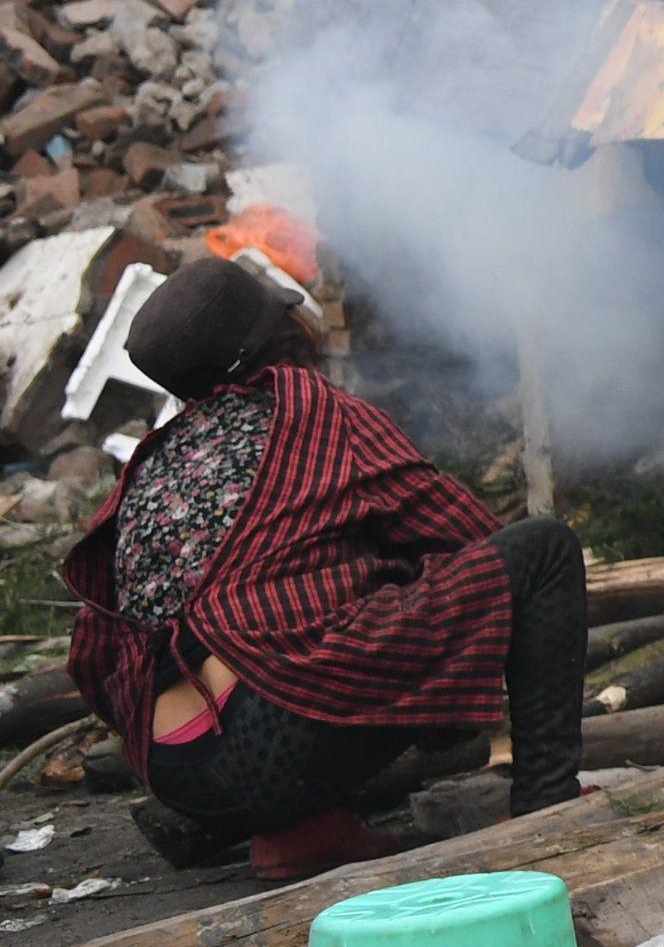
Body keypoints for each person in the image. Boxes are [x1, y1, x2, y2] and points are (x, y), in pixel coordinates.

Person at [62, 255, 586, 879]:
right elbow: (470, 539)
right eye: (284, 313)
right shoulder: (309, 413)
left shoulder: (154, 460)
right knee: (544, 553)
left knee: (303, 610)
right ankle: (546, 801)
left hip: (174, 770)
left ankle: (305, 835)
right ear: (266, 340)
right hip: (277, 739)